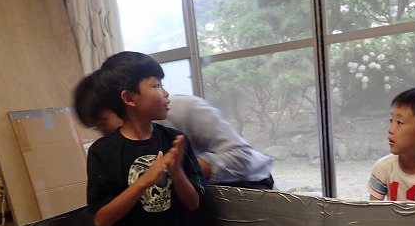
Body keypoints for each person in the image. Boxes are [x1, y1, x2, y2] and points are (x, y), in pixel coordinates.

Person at [85, 51, 216, 226]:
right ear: (129, 98)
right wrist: (144, 181)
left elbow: (193, 204)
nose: (165, 93)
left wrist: (176, 171)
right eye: (156, 85)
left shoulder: (174, 140)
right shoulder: (102, 151)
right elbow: (101, 220)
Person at [74, 73, 274, 190]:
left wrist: (178, 168)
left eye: (103, 124)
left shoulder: (185, 109)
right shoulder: (120, 144)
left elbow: (241, 157)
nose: (103, 134)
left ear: (125, 101)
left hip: (248, 183)